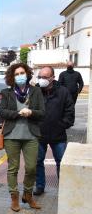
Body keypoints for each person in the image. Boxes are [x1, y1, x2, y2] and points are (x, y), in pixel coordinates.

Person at [0, 63, 45, 212]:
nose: (20, 76)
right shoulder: (7, 92)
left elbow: (42, 112)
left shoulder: (36, 91)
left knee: (31, 167)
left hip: (31, 135)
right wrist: (18, 113)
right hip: (11, 135)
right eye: (17, 74)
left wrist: (31, 112)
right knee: (13, 168)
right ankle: (14, 197)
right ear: (12, 77)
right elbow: (2, 112)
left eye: (22, 73)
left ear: (27, 74)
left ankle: (28, 194)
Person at [34, 66, 74, 196]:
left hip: (58, 135)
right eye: (40, 77)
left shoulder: (63, 92)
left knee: (61, 162)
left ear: (52, 78)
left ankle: (63, 188)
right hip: (39, 134)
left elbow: (70, 111)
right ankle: (40, 186)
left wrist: (62, 125)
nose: (41, 80)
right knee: (38, 161)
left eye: (45, 77)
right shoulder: (35, 92)